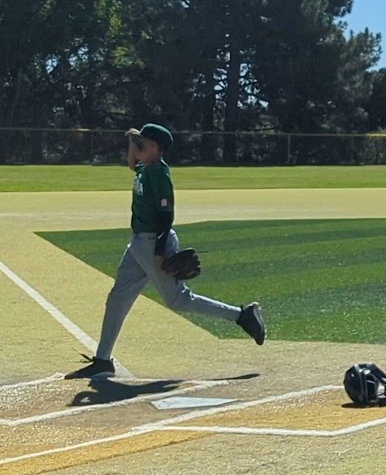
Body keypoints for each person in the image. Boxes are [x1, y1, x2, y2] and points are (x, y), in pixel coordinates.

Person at [65, 124, 266, 379]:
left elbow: (166, 216)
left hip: (152, 243)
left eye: (144, 144)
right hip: (138, 244)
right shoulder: (144, 168)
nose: (139, 148)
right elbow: (131, 164)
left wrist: (160, 253)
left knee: (178, 300)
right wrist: (132, 141)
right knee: (118, 298)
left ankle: (242, 315)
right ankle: (103, 360)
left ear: (158, 149)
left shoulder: (159, 174)